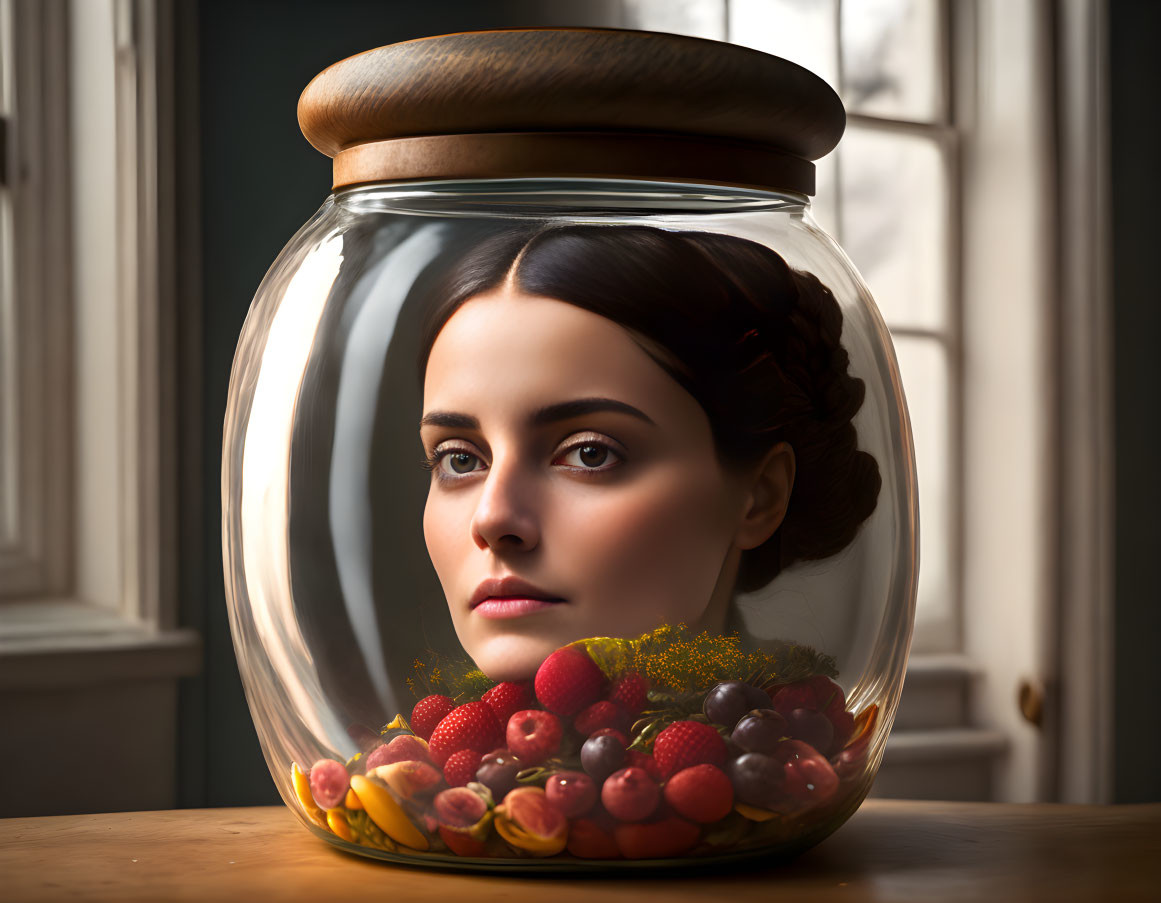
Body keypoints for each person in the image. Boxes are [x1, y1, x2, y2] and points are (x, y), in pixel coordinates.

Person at [415, 224, 880, 682]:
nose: (493, 520)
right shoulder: (405, 757)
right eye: (460, 460)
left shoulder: (801, 748)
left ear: (760, 494)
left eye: (590, 454)